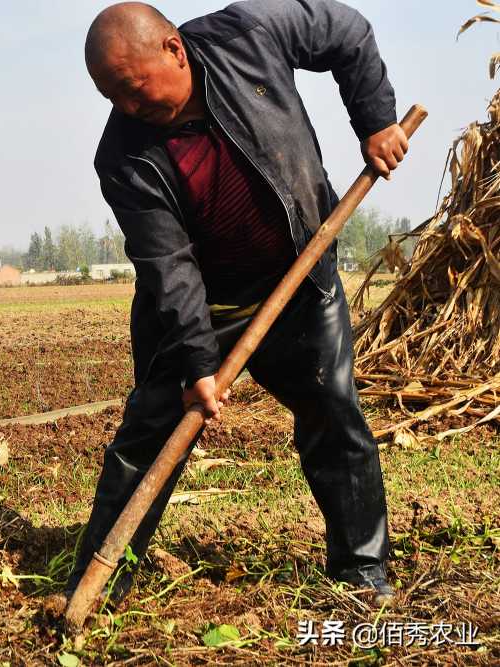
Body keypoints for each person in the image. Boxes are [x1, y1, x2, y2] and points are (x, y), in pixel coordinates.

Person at [68, 0, 408, 608]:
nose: (126, 107)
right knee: (149, 435)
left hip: (298, 281)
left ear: (174, 50)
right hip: (199, 308)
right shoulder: (123, 156)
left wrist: (376, 118)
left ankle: (363, 575)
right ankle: (99, 581)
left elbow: (348, 32)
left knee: (333, 410)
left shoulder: (247, 34)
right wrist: (198, 364)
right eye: (109, 96)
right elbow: (170, 270)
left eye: (132, 88)